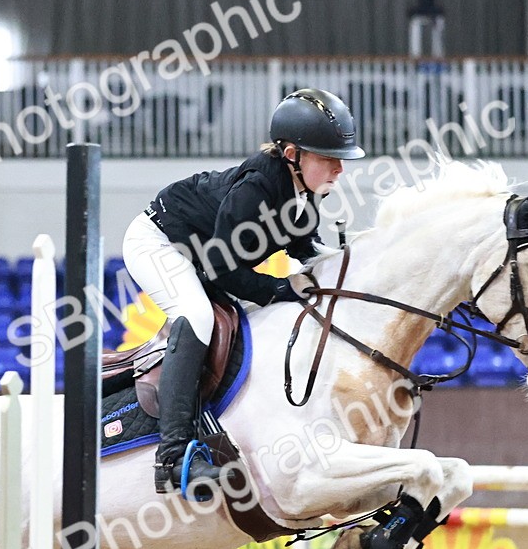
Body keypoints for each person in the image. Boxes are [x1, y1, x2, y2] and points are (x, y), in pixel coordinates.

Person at [122, 88, 366, 494]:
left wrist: (350, 264)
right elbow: (222, 270)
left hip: (202, 255)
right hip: (159, 243)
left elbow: (304, 249)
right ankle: (173, 459)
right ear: (292, 155)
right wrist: (280, 288)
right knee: (196, 316)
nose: (340, 169)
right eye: (328, 158)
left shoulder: (304, 192)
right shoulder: (255, 190)